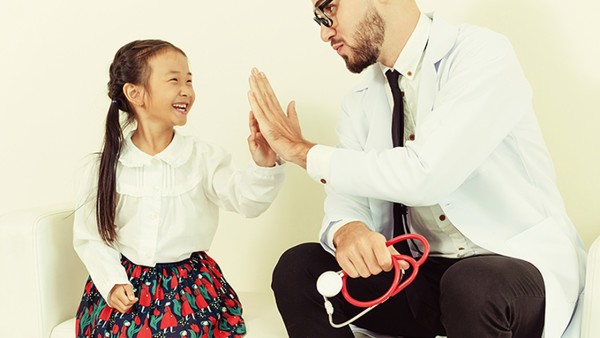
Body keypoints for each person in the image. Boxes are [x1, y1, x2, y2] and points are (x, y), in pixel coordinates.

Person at [246, 0, 587, 337]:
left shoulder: (481, 54)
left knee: (469, 284)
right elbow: (346, 194)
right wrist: (349, 230)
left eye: (329, 8)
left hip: (508, 272)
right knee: (298, 268)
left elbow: (427, 173)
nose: (324, 32)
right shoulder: (360, 100)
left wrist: (302, 151)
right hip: (420, 277)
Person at [73, 39, 285, 338]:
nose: (186, 90)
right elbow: (90, 237)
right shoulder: (104, 166)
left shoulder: (203, 157)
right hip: (126, 282)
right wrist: (111, 282)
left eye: (189, 80)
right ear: (135, 93)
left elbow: (246, 201)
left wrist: (264, 166)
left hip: (188, 284)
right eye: (174, 80)